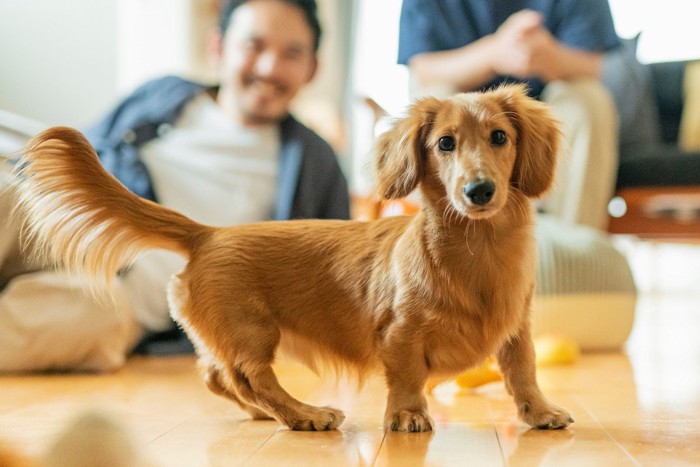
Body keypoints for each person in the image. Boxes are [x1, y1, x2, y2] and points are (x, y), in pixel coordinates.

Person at [0, 0, 349, 372]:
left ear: (312, 68)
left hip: (124, 296)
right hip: (64, 219)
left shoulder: (318, 164)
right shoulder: (162, 94)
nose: (269, 67)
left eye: (292, 54)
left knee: (89, 322)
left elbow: (332, 282)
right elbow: (78, 155)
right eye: (253, 45)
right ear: (218, 47)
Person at [397, 0, 621, 230]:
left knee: (590, 101)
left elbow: (592, 67)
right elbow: (423, 69)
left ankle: (573, 251)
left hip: (547, 104)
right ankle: (445, 249)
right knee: (434, 93)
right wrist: (494, 53)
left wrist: (548, 56)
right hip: (458, 98)